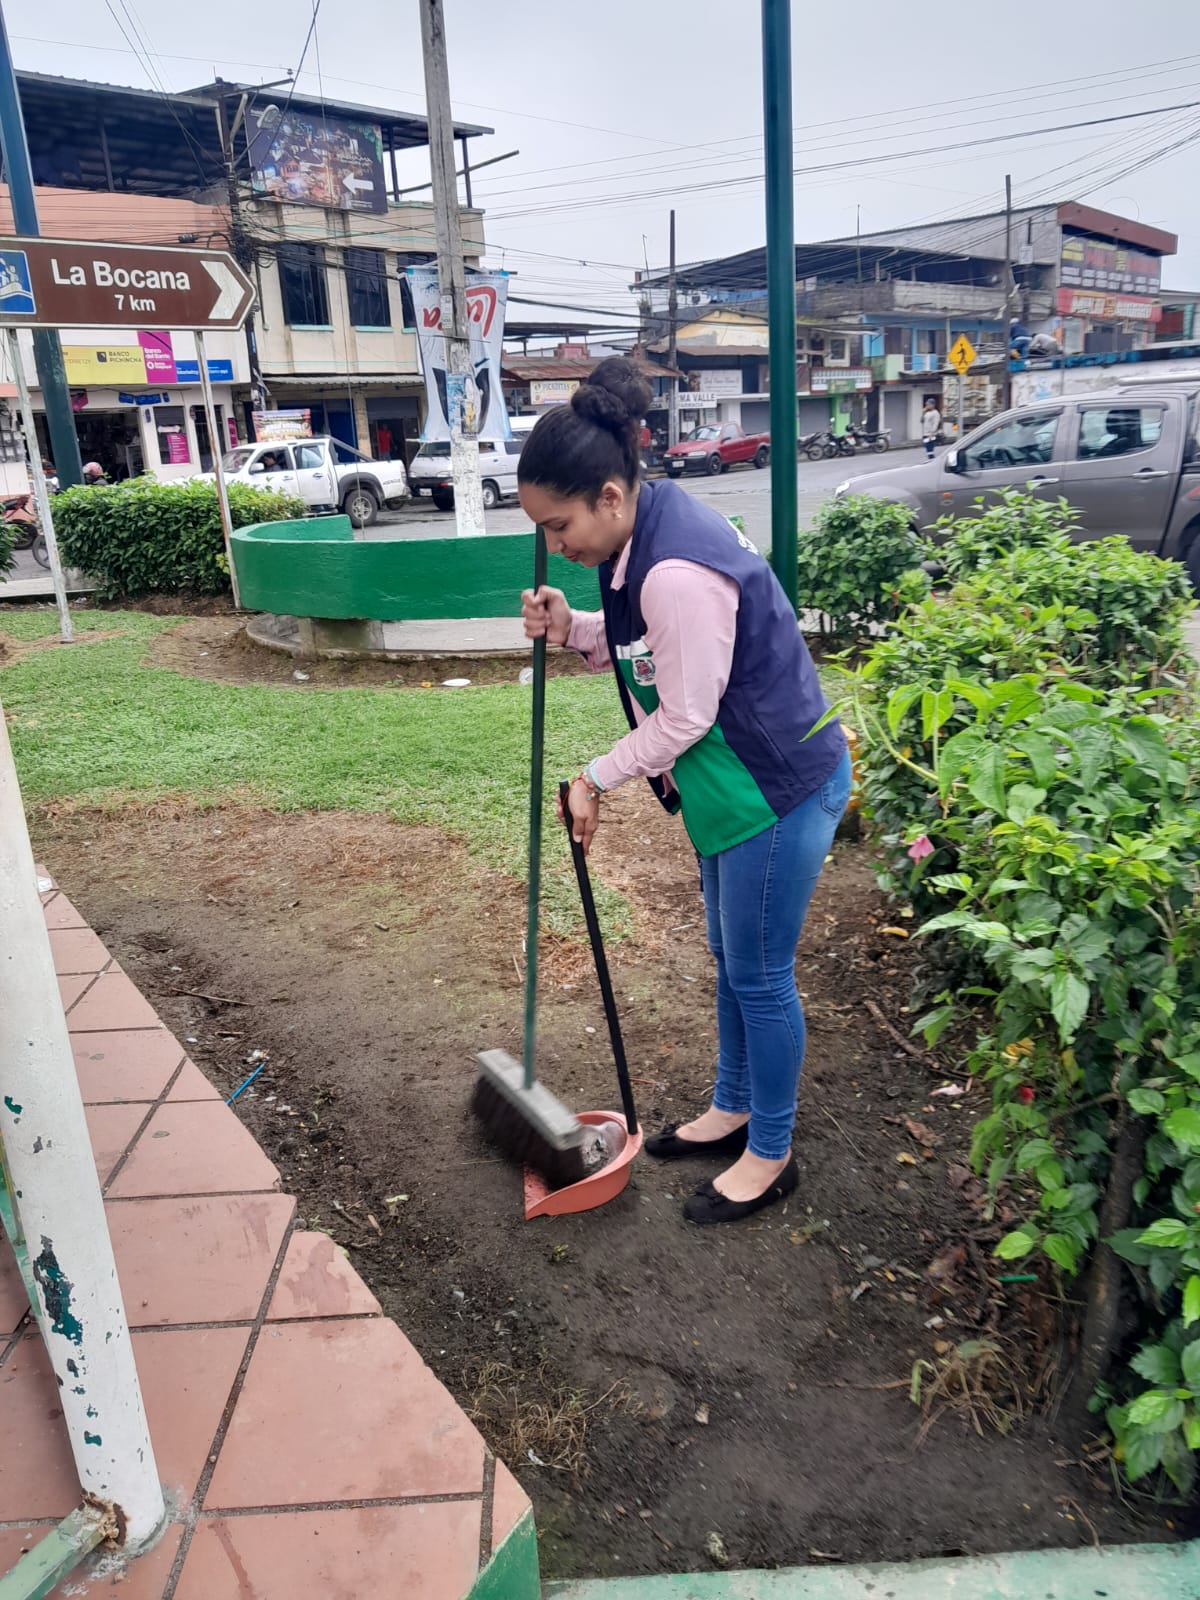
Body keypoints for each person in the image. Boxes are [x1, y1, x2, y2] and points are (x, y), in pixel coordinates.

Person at [518, 358, 851, 1227]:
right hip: (728, 793)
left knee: (761, 975)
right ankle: (733, 1107)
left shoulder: (672, 567)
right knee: (732, 960)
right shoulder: (638, 537)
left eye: (559, 526)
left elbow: (688, 715)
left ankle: (770, 1153)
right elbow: (645, 645)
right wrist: (573, 627)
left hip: (775, 790)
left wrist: (595, 776)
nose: (558, 545)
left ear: (609, 497)